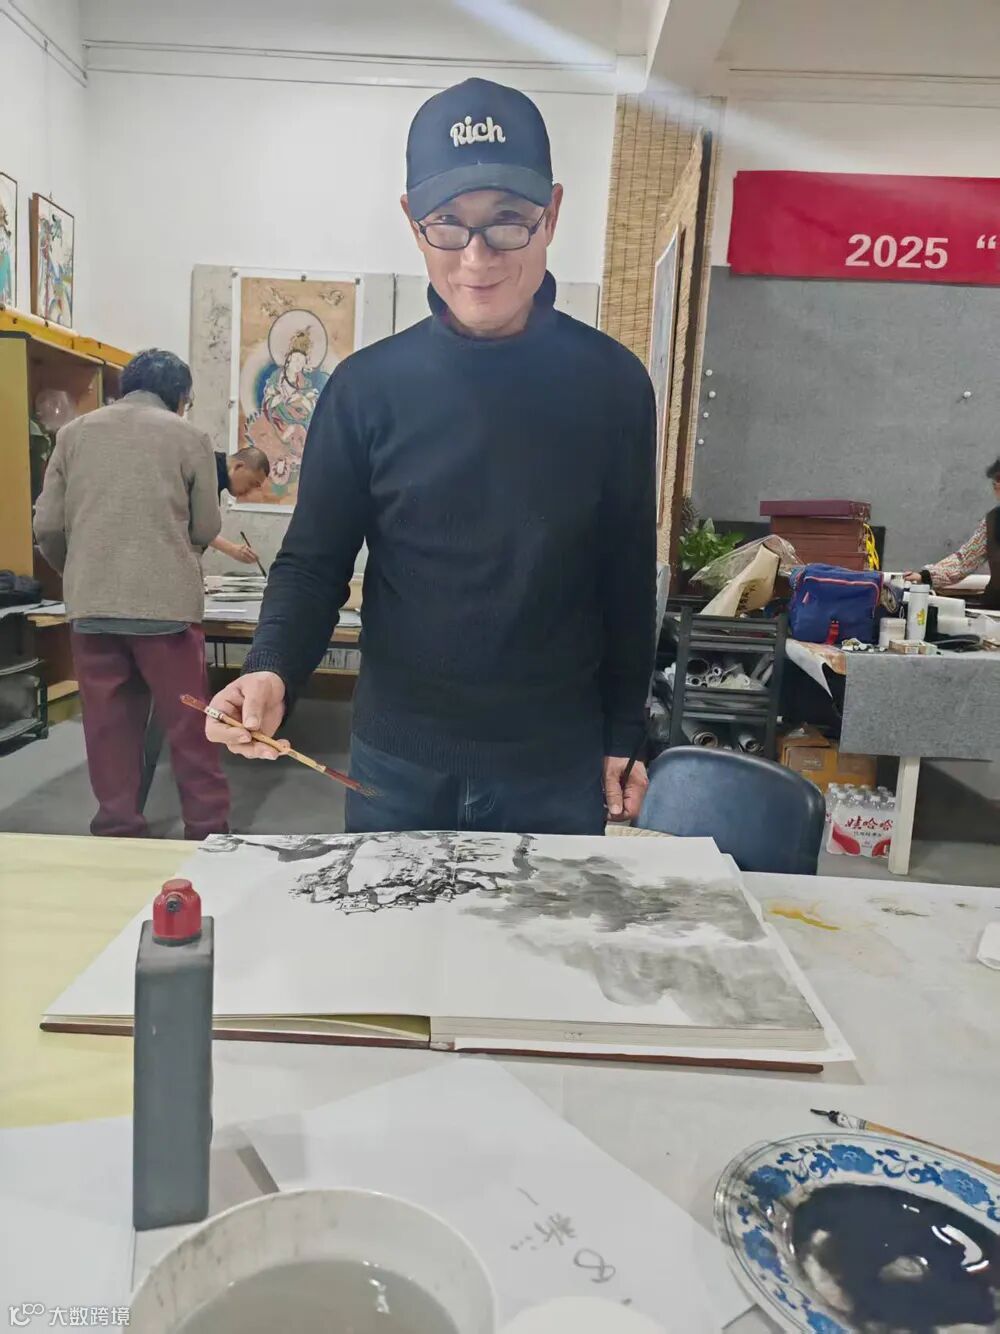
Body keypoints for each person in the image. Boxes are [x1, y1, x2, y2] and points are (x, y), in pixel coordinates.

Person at [205, 78, 656, 835]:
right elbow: (314, 562)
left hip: (554, 763)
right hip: (396, 763)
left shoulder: (613, 384)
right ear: (413, 222)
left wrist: (624, 732)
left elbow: (626, 574)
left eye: (507, 220)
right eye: (448, 223)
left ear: (552, 214)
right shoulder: (365, 388)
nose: (477, 257)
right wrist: (271, 667)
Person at [34, 349, 230, 839]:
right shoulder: (190, 437)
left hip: (92, 606)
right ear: (180, 397)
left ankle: (118, 829)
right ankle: (207, 830)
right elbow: (206, 527)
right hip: (167, 609)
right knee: (190, 724)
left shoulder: (72, 434)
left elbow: (47, 526)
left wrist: (80, 570)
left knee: (108, 728)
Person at [904, 458, 1000, 609]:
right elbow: (964, 560)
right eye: (996, 483)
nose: (997, 487)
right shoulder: (993, 521)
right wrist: (925, 576)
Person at [211, 446, 270, 564]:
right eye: (251, 483)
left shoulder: (215, 474)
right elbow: (193, 527)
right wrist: (232, 549)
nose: (249, 491)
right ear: (239, 466)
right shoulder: (208, 470)